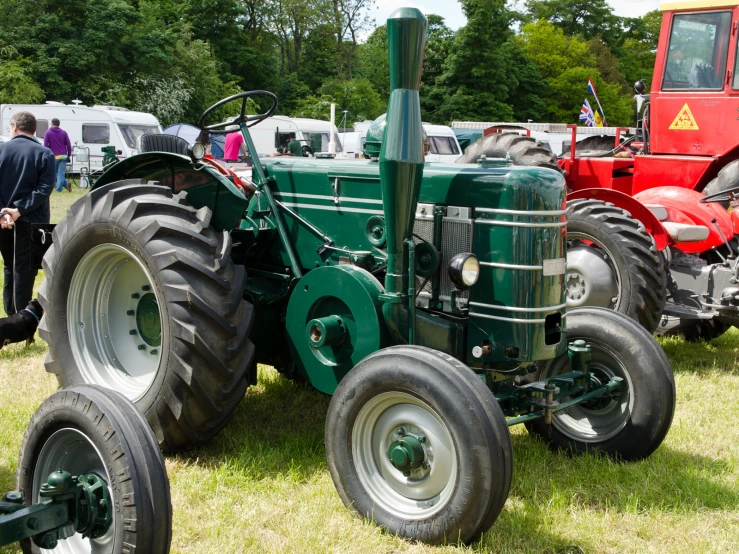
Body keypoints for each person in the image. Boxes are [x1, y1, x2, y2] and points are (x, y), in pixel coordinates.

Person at [0, 111, 55, 315]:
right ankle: (19, 317)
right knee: (26, 269)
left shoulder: (1, 150)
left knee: (9, 266)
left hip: (5, 220)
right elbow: (45, 187)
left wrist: (4, 213)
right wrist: (19, 210)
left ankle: (12, 313)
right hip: (33, 221)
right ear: (34, 130)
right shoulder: (44, 153)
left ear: (14, 126)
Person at [43, 118, 72, 192]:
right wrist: (68, 155)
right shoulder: (64, 132)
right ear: (59, 124)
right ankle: (66, 184)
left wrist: (48, 154)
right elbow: (68, 145)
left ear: (52, 124)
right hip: (63, 156)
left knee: (54, 173)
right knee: (60, 173)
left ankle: (58, 189)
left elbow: (45, 145)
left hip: (54, 156)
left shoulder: (48, 132)